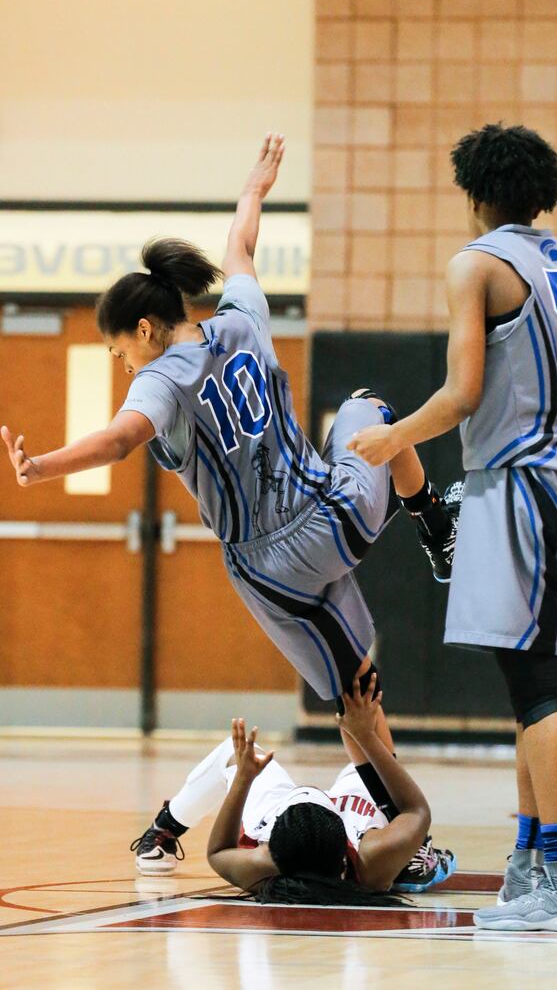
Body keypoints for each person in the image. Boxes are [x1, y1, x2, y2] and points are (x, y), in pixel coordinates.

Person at [2, 133, 456, 889]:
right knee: (371, 411)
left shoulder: (162, 380)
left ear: (144, 331)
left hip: (275, 563)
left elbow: (119, 442)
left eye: (120, 353)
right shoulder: (240, 317)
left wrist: (40, 466)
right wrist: (253, 190)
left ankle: (408, 845)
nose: (124, 366)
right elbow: (240, 249)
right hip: (336, 509)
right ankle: (434, 527)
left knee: (355, 701)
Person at [348, 123, 557, 931]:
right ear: (542, 191)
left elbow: (461, 393)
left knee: (538, 684)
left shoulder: (474, 264)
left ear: (474, 194)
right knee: (526, 678)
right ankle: (530, 862)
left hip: (520, 487)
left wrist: (391, 438)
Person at [133, 674, 454, 903]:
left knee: (235, 752)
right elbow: (417, 810)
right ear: (345, 851)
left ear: (271, 851)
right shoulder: (373, 858)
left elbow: (217, 852)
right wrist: (364, 735)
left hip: (281, 822)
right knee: (377, 779)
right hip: (335, 835)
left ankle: (165, 827)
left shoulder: (262, 864)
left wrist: (243, 781)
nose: (312, 789)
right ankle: (412, 857)